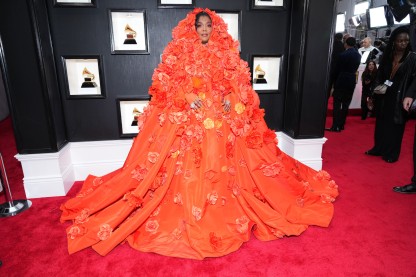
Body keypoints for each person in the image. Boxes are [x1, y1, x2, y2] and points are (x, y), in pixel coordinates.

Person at [60, 8, 339, 260]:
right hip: (190, 117)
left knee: (228, 161)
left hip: (220, 118)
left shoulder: (227, 52)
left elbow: (238, 81)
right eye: (200, 25)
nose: (204, 29)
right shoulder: (180, 52)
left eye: (208, 25)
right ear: (191, 28)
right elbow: (166, 85)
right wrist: (187, 93)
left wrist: (231, 94)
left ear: (214, 27)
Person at [365, 26, 416, 163]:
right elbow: (379, 76)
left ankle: (392, 154)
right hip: (384, 94)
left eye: (406, 40)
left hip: (400, 96)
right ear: (394, 41)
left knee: (396, 126)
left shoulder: (412, 58)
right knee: (381, 123)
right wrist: (372, 93)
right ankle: (378, 148)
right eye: (400, 40)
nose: (403, 43)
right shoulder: (387, 56)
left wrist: (410, 95)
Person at [326, 37, 361, 132]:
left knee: (337, 103)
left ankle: (335, 126)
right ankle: (341, 125)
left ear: (346, 44)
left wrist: (333, 82)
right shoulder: (358, 55)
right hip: (351, 79)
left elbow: (336, 70)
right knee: (346, 103)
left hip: (342, 79)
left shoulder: (343, 55)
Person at [328, 33, 346, 99]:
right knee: (336, 85)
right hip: (339, 69)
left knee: (329, 84)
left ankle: (326, 97)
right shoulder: (343, 46)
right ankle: (334, 98)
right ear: (341, 38)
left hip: (330, 67)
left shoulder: (331, 44)